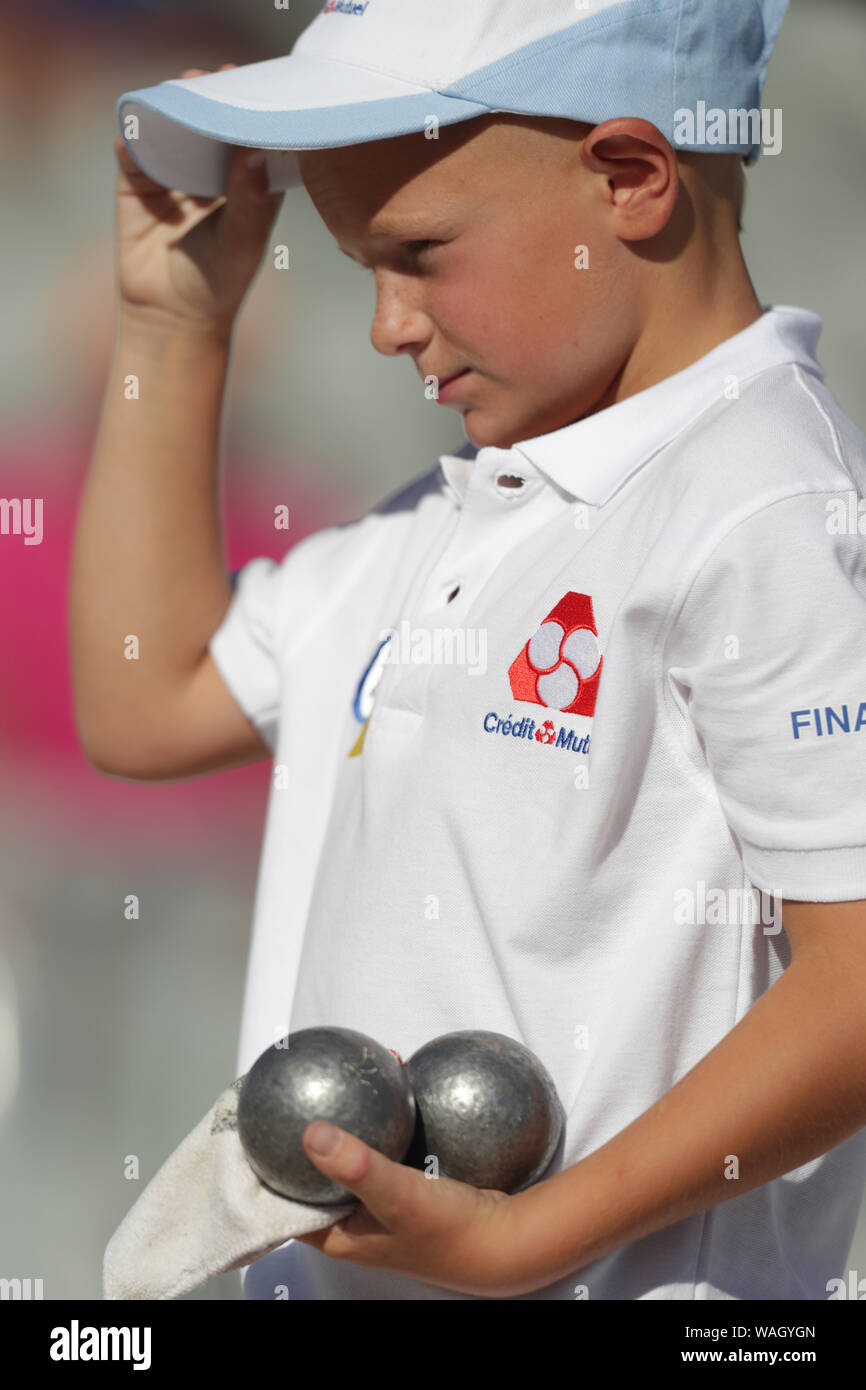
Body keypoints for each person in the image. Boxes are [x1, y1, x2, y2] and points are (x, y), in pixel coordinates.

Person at [71, 0, 866, 1300]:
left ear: (629, 178)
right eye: (353, 267)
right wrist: (173, 328)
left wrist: (529, 1239)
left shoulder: (766, 510)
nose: (385, 324)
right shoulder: (466, 505)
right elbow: (144, 698)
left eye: (418, 251)